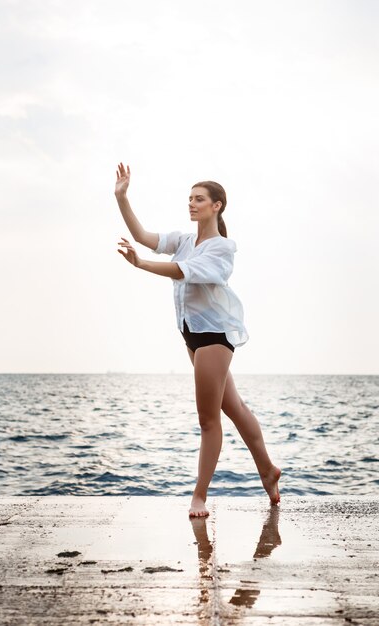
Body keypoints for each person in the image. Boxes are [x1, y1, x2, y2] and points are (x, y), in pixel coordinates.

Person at [115, 162, 281, 517]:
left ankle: (199, 496)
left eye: (199, 199)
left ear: (217, 205)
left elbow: (182, 272)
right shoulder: (184, 240)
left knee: (208, 420)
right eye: (189, 198)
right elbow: (144, 236)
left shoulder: (222, 248)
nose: (192, 204)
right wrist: (122, 197)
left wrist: (140, 265)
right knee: (232, 407)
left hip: (213, 336)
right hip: (192, 334)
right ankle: (268, 470)